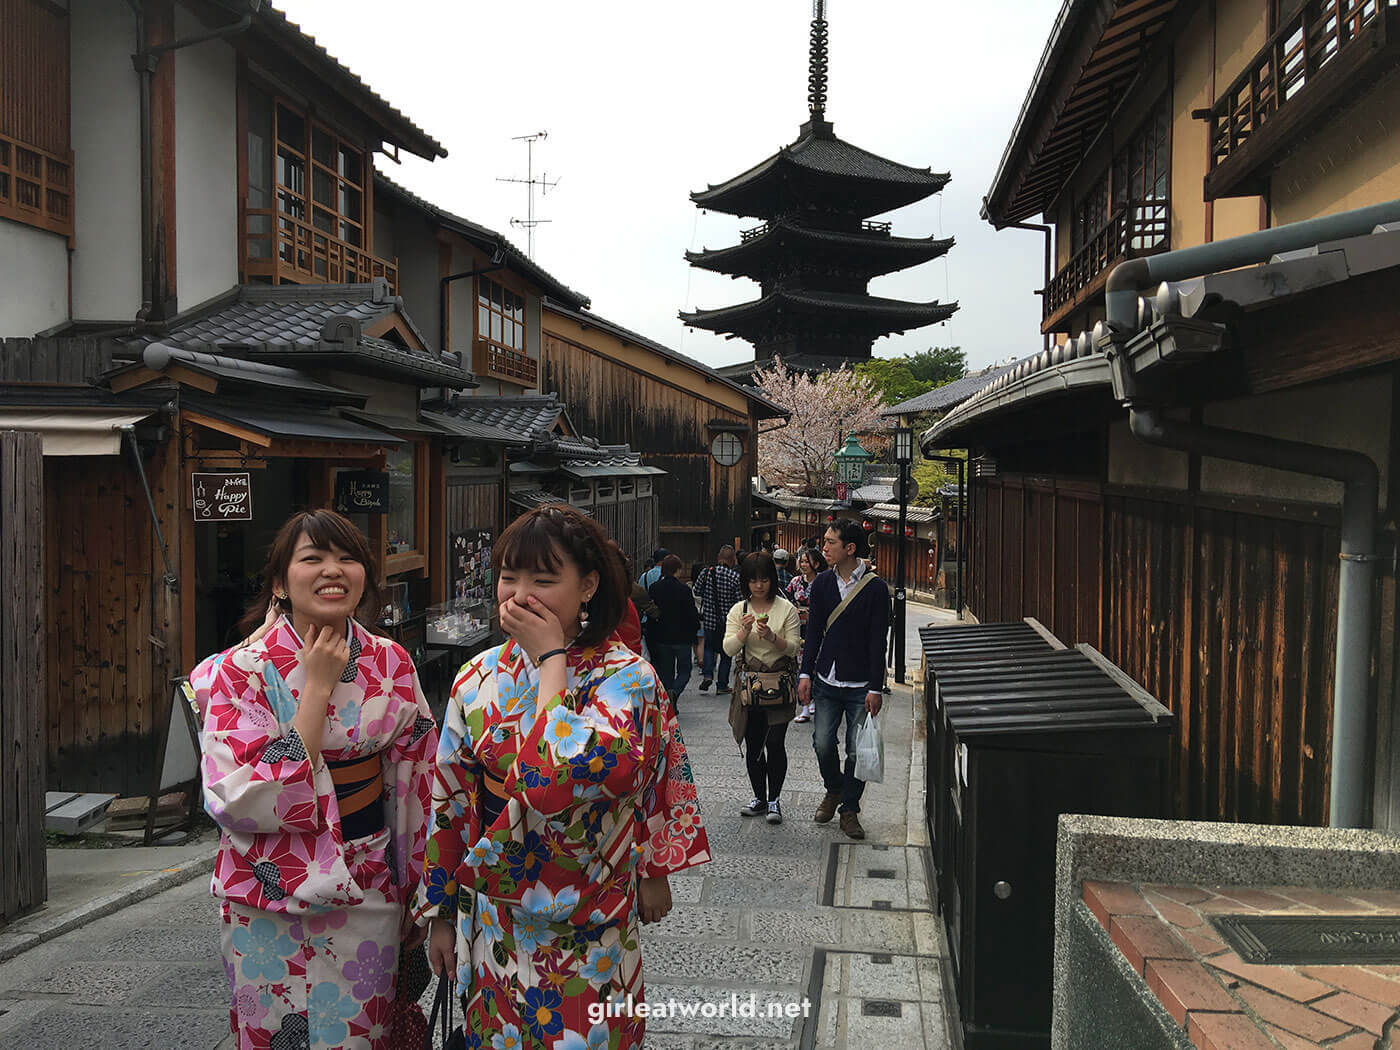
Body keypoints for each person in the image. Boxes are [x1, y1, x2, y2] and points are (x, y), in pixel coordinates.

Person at [419, 504, 710, 1049]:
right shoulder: (476, 676)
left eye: (544, 579)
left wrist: (655, 866)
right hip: (496, 915)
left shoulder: (628, 676)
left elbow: (613, 778)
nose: (521, 593)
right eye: (509, 577)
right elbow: (450, 799)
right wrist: (439, 912)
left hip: (591, 903)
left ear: (588, 586)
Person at [190, 509, 439, 1050]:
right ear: (280, 582)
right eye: (313, 558)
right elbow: (237, 796)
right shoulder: (239, 671)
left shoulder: (389, 662)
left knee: (361, 1034)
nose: (333, 570)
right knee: (275, 1035)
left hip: (366, 882)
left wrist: (418, 888)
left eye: (348, 558)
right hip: (267, 895)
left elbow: (417, 782)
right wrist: (318, 691)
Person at [798, 519, 889, 841]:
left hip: (860, 682)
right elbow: (812, 632)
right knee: (822, 742)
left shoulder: (876, 588)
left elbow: (879, 640)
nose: (824, 548)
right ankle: (833, 789)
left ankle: (849, 808)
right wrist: (806, 672)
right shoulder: (822, 583)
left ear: (850, 548)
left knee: (856, 749)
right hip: (826, 677)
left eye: (831, 542)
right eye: (824, 541)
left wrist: (876, 687)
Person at [723, 552, 801, 825]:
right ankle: (758, 796)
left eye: (764, 580)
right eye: (753, 580)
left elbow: (793, 648)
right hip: (750, 689)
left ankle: (774, 799)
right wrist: (744, 633)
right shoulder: (739, 610)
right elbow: (728, 648)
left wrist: (771, 637)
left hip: (778, 684)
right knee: (754, 745)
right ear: (746, 581)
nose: (759, 586)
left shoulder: (786, 609)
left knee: (775, 743)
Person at [647, 554, 701, 708]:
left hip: (662, 636)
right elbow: (691, 614)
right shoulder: (684, 589)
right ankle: (675, 693)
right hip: (682, 637)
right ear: (678, 570)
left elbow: (652, 613)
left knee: (666, 673)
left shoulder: (655, 588)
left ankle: (670, 700)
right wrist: (694, 630)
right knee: (684, 671)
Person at [785, 546, 827, 723]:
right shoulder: (795, 582)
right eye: (801, 561)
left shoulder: (823, 581)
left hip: (818, 629)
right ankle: (804, 706)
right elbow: (786, 601)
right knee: (801, 667)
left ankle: (815, 700)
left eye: (806, 561)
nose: (803, 564)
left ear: (816, 563)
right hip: (798, 628)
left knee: (816, 666)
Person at [694, 545, 742, 694]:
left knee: (709, 647)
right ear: (732, 560)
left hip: (709, 619)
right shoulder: (735, 577)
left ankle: (707, 675)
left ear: (718, 558)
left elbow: (696, 591)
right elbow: (739, 600)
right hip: (728, 621)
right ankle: (722, 685)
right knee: (726, 653)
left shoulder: (706, 573)